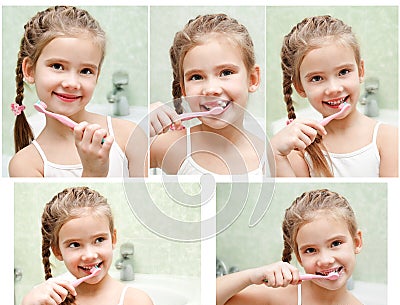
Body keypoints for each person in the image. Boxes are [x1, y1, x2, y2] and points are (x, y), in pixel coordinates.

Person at [216, 189, 382, 305]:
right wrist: (251, 276)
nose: (325, 260)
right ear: (299, 257)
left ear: (357, 242)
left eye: (336, 243)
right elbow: (209, 304)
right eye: (310, 250)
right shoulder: (286, 297)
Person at [9, 6, 147, 177]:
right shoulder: (25, 165)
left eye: (86, 71)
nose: (72, 83)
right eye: (57, 66)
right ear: (29, 70)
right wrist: (93, 172)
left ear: (97, 76)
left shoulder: (130, 135)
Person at [270, 15, 398, 177]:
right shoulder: (300, 149)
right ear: (300, 87)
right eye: (317, 78)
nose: (333, 88)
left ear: (361, 71)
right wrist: (275, 153)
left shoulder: (389, 139)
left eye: (343, 72)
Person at [20, 186, 157, 305]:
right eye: (75, 244)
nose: (90, 255)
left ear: (113, 239)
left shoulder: (137, 303)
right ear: (57, 251)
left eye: (99, 240)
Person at [150, 13, 265, 175]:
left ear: (252, 79)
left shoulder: (269, 156)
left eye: (226, 72)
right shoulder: (169, 147)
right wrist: (141, 130)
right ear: (183, 89)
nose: (211, 89)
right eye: (196, 77)